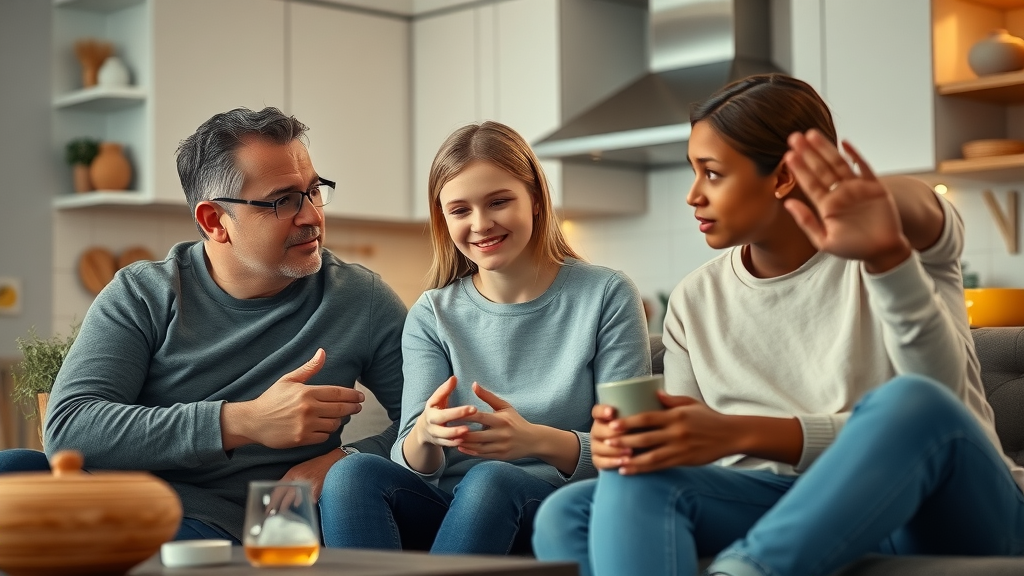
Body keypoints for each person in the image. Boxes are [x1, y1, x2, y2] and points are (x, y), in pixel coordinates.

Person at [533, 73, 1024, 576]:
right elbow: (698, 456)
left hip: (951, 501)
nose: (692, 195)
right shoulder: (694, 300)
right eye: (693, 171)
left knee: (912, 402)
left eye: (713, 173)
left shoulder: (899, 239)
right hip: (801, 506)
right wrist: (652, 441)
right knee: (569, 511)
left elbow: (932, 412)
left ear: (784, 176)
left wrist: (881, 244)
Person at [0, 107, 407, 543]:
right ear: (215, 221)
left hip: (228, 524)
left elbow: (428, 423)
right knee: (11, 469)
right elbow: (70, 427)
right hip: (120, 499)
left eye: (314, 191)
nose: (311, 216)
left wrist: (344, 457)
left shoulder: (358, 299)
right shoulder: (144, 292)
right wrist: (242, 421)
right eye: (284, 200)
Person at [318, 121, 651, 554]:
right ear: (444, 219)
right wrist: (426, 434)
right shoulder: (432, 314)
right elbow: (412, 462)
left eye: (498, 202)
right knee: (349, 474)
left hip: (550, 509)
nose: (481, 224)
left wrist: (534, 440)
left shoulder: (606, 293)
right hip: (451, 511)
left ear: (534, 199)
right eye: (460, 210)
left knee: (490, 477)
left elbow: (634, 449)